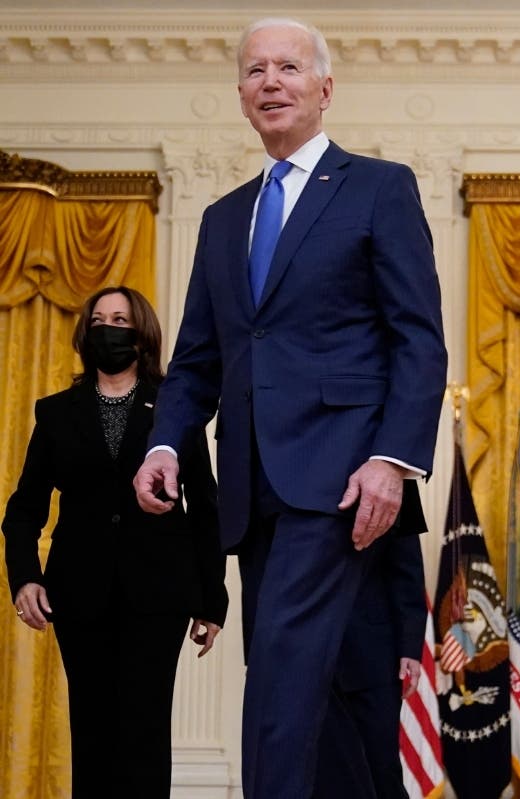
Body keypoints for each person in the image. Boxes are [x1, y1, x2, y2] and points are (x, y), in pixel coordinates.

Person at [131, 16, 448, 798]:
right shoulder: (221, 218)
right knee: (320, 680)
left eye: (288, 67)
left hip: (342, 479)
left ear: (324, 88)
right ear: (240, 95)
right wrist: (165, 444)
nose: (270, 81)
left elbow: (419, 338)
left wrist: (392, 460)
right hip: (254, 489)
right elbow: (199, 358)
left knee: (278, 663)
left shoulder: (380, 187)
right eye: (254, 71)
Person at [3, 286, 227, 798]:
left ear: (141, 333)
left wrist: (212, 602)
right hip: (79, 593)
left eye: (121, 319)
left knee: (145, 731)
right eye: (100, 319)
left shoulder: (175, 410)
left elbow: (206, 510)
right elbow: (23, 510)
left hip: (159, 594)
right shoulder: (56, 412)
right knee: (93, 729)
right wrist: (24, 579)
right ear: (86, 333)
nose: (109, 328)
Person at [314, 533, 426, 799]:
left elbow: (406, 569)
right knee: (321, 775)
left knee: (381, 770)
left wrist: (410, 647)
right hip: (310, 658)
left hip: (374, 656)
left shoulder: (393, 490)